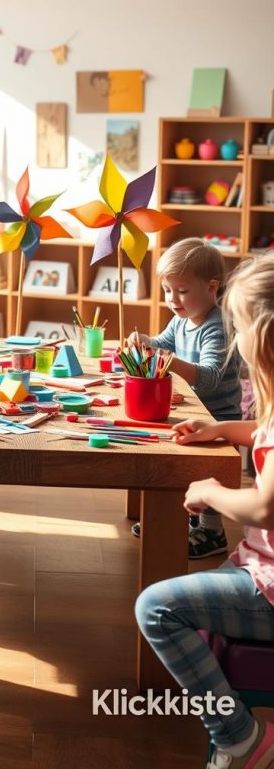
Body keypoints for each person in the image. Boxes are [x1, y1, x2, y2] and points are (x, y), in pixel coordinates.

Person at [135, 250, 274, 769]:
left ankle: (240, 736)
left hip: (269, 584)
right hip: (258, 567)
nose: (236, 341)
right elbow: (260, 433)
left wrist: (209, 492)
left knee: (156, 607)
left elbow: (264, 506)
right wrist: (221, 430)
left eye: (239, 330)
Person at [129, 238, 241, 558]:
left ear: (211, 287)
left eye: (182, 291)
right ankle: (182, 517)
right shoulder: (181, 319)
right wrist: (145, 341)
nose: (173, 299)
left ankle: (212, 531)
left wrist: (165, 357)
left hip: (219, 415)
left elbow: (210, 378)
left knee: (207, 469)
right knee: (174, 458)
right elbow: (163, 341)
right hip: (194, 409)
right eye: (167, 290)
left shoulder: (216, 326)